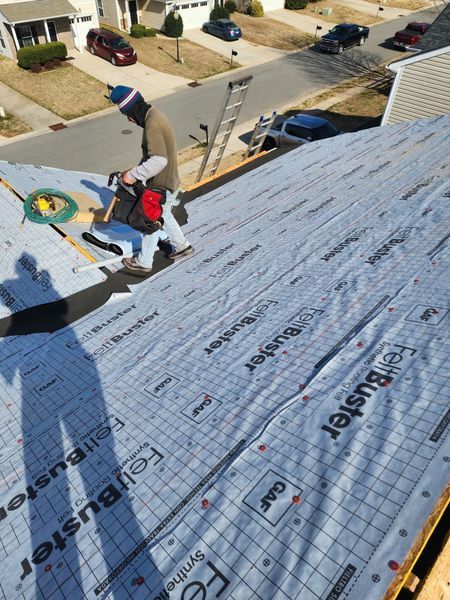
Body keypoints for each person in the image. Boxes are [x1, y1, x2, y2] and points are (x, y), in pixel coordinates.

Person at [109, 85, 193, 273]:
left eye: (128, 115)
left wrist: (133, 175)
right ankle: (183, 246)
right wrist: (136, 169)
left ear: (132, 110)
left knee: (148, 221)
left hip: (161, 184)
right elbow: (153, 155)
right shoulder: (155, 114)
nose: (130, 121)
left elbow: (158, 159)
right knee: (164, 214)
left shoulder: (152, 124)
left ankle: (144, 261)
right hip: (170, 180)